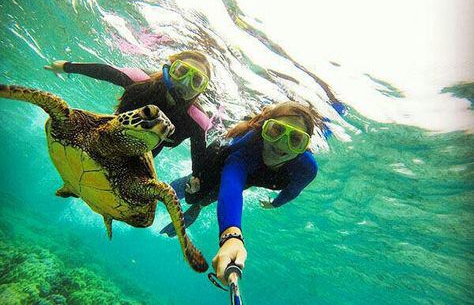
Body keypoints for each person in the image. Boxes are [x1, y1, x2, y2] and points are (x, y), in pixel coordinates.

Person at [161, 101, 321, 284]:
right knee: (201, 185)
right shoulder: (246, 149)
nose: (282, 145)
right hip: (220, 165)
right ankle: (165, 192)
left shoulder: (306, 168)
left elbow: (292, 191)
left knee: (206, 199)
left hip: (250, 176)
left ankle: (197, 205)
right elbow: (232, 186)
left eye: (295, 139)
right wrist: (231, 237)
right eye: (276, 131)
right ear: (264, 130)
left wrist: (275, 203)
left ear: (304, 146)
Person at [44, 50, 213, 177]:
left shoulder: (197, 120)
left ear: (201, 90)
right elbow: (104, 71)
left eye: (196, 81)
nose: (185, 82)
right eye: (182, 71)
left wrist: (197, 179)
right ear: (169, 69)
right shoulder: (141, 80)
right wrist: (67, 66)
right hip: (109, 135)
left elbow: (198, 163)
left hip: (141, 157)